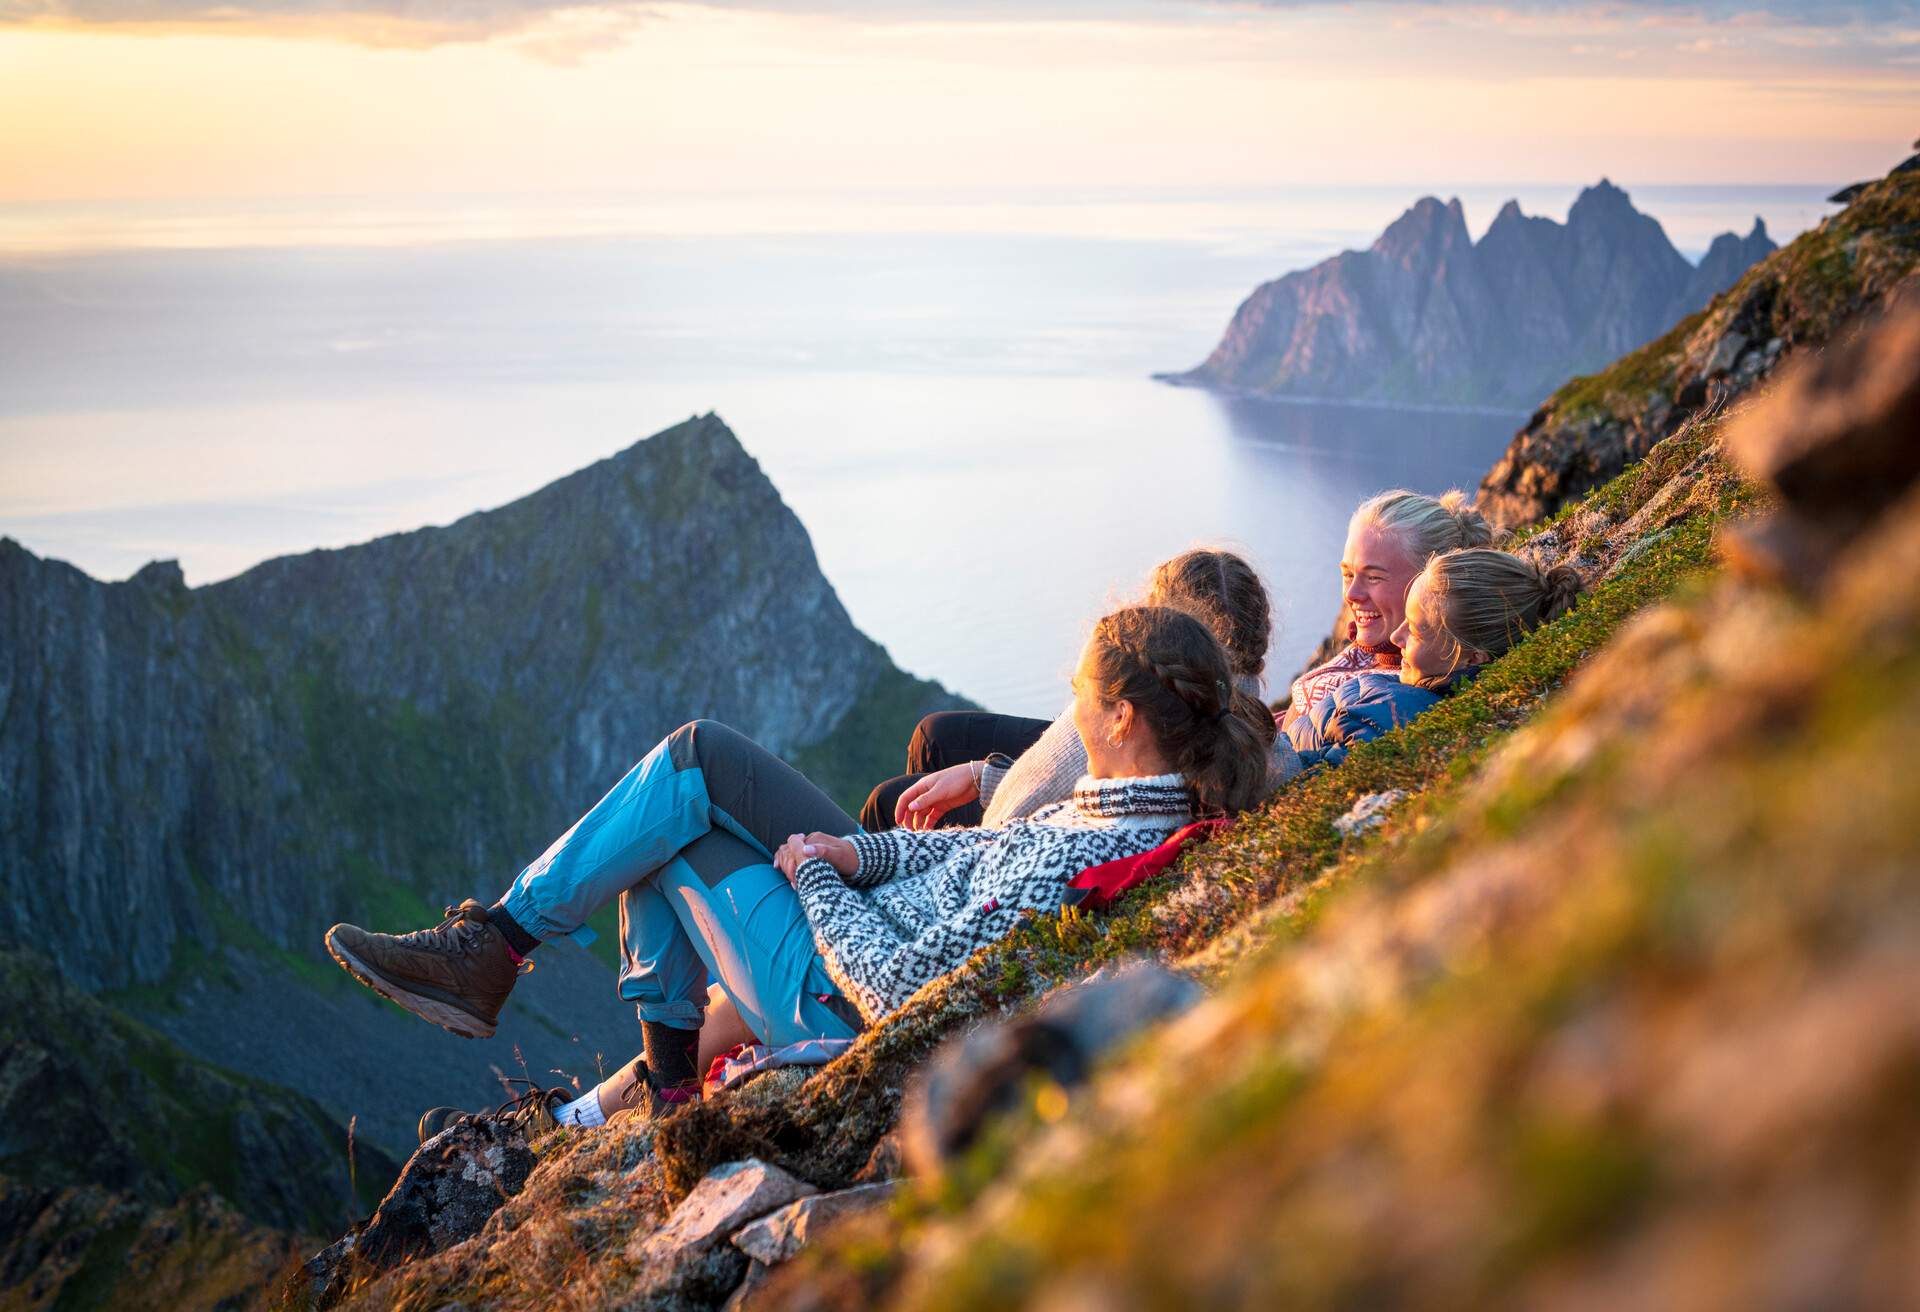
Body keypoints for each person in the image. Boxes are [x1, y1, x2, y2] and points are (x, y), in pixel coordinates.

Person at [325, 604, 1274, 1125]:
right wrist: (850, 849)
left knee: (676, 805)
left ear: (1121, 719)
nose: (1067, 712)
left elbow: (902, 984)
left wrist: (816, 879)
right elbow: (974, 854)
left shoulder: (1095, 841)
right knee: (677, 797)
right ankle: (620, 1053)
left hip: (843, 998)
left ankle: (508, 961)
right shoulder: (1120, 810)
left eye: (1079, 699)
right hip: (861, 930)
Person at [863, 548, 1299, 834]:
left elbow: (1011, 817)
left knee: (893, 797)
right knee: (936, 735)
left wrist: (984, 784)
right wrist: (985, 774)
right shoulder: (1259, 740)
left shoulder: (1110, 726)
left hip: (1034, 828)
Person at [1290, 548, 1584, 768]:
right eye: (1405, 618)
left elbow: (1300, 786)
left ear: (1471, 658)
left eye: (1416, 631)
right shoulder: (1413, 690)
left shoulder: (1397, 714)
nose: (1396, 637)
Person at [1282, 489, 1495, 731]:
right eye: (1348, 574)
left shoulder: (1397, 696)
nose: (1351, 595)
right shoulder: (1369, 660)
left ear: (1433, 582)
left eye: (1373, 577)